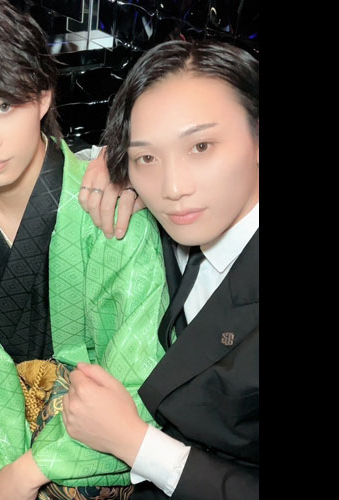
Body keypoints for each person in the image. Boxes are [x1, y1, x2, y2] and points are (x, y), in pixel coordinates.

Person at [0, 1, 168, 499]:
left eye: (3, 106)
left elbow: (139, 365)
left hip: (85, 416)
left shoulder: (109, 209)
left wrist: (30, 470)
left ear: (42, 94)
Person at [63, 39, 259, 499]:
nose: (173, 188)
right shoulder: (169, 219)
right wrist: (113, 166)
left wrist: (134, 443)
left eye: (201, 146)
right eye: (148, 158)